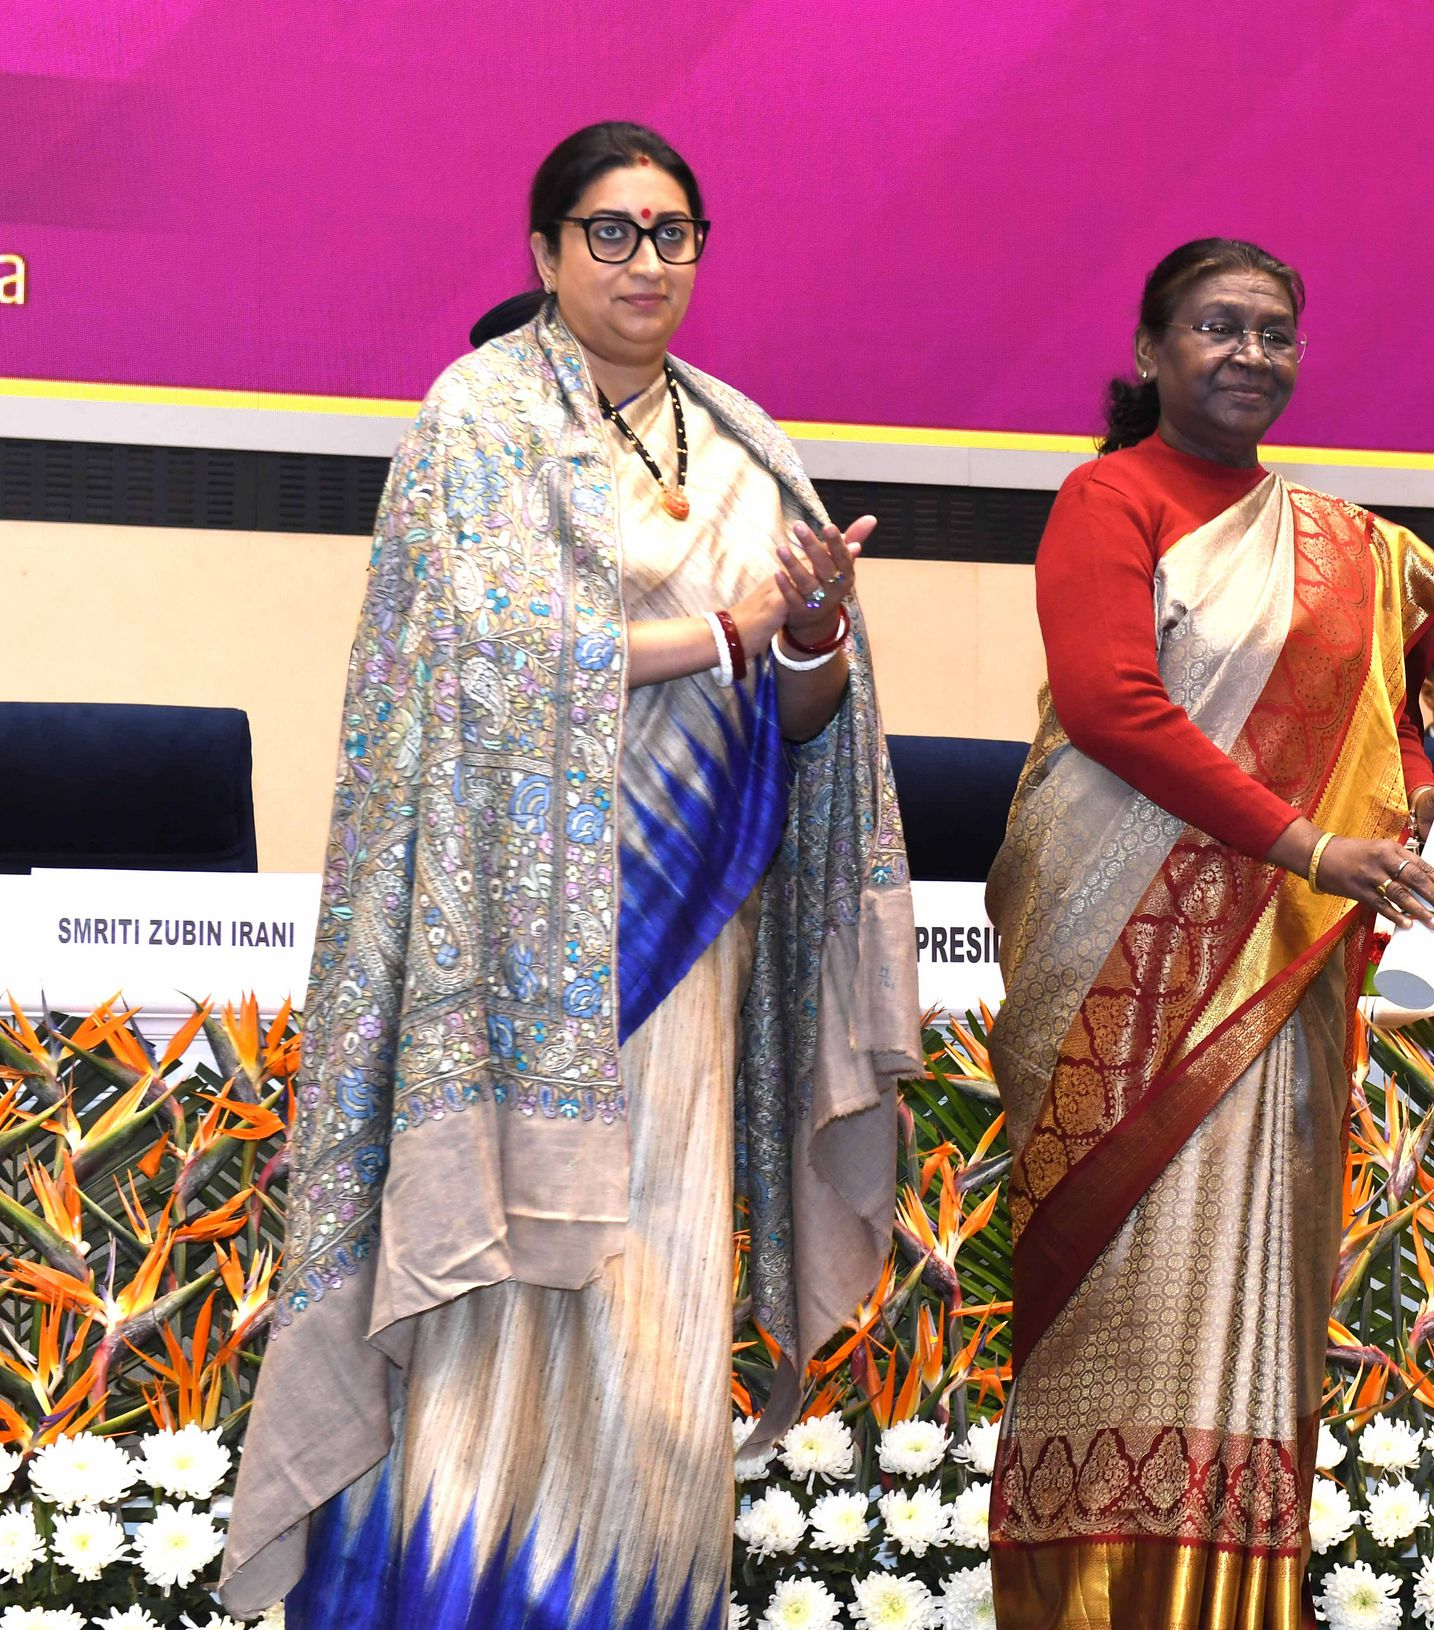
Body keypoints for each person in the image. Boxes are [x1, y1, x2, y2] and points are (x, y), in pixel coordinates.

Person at [222, 121, 920, 1629]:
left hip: (684, 954)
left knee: (654, 1321)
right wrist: (721, 632)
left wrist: (809, 634)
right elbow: (481, 650)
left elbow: (804, 724)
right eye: (610, 231)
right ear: (544, 253)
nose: (644, 261)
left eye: (672, 233)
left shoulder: (742, 444)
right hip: (502, 955)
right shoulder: (475, 418)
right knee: (487, 1315)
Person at [984, 237, 1434, 1628]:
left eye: (1274, 330)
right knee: (1121, 1276)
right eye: (1217, 326)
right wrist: (1310, 846)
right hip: (1115, 955)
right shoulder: (1107, 496)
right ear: (1150, 352)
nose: (1251, 352)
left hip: (1275, 961)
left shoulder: (1342, 545)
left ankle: (1238, 1599)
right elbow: (1111, 707)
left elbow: (1382, 735)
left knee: (1252, 1280)